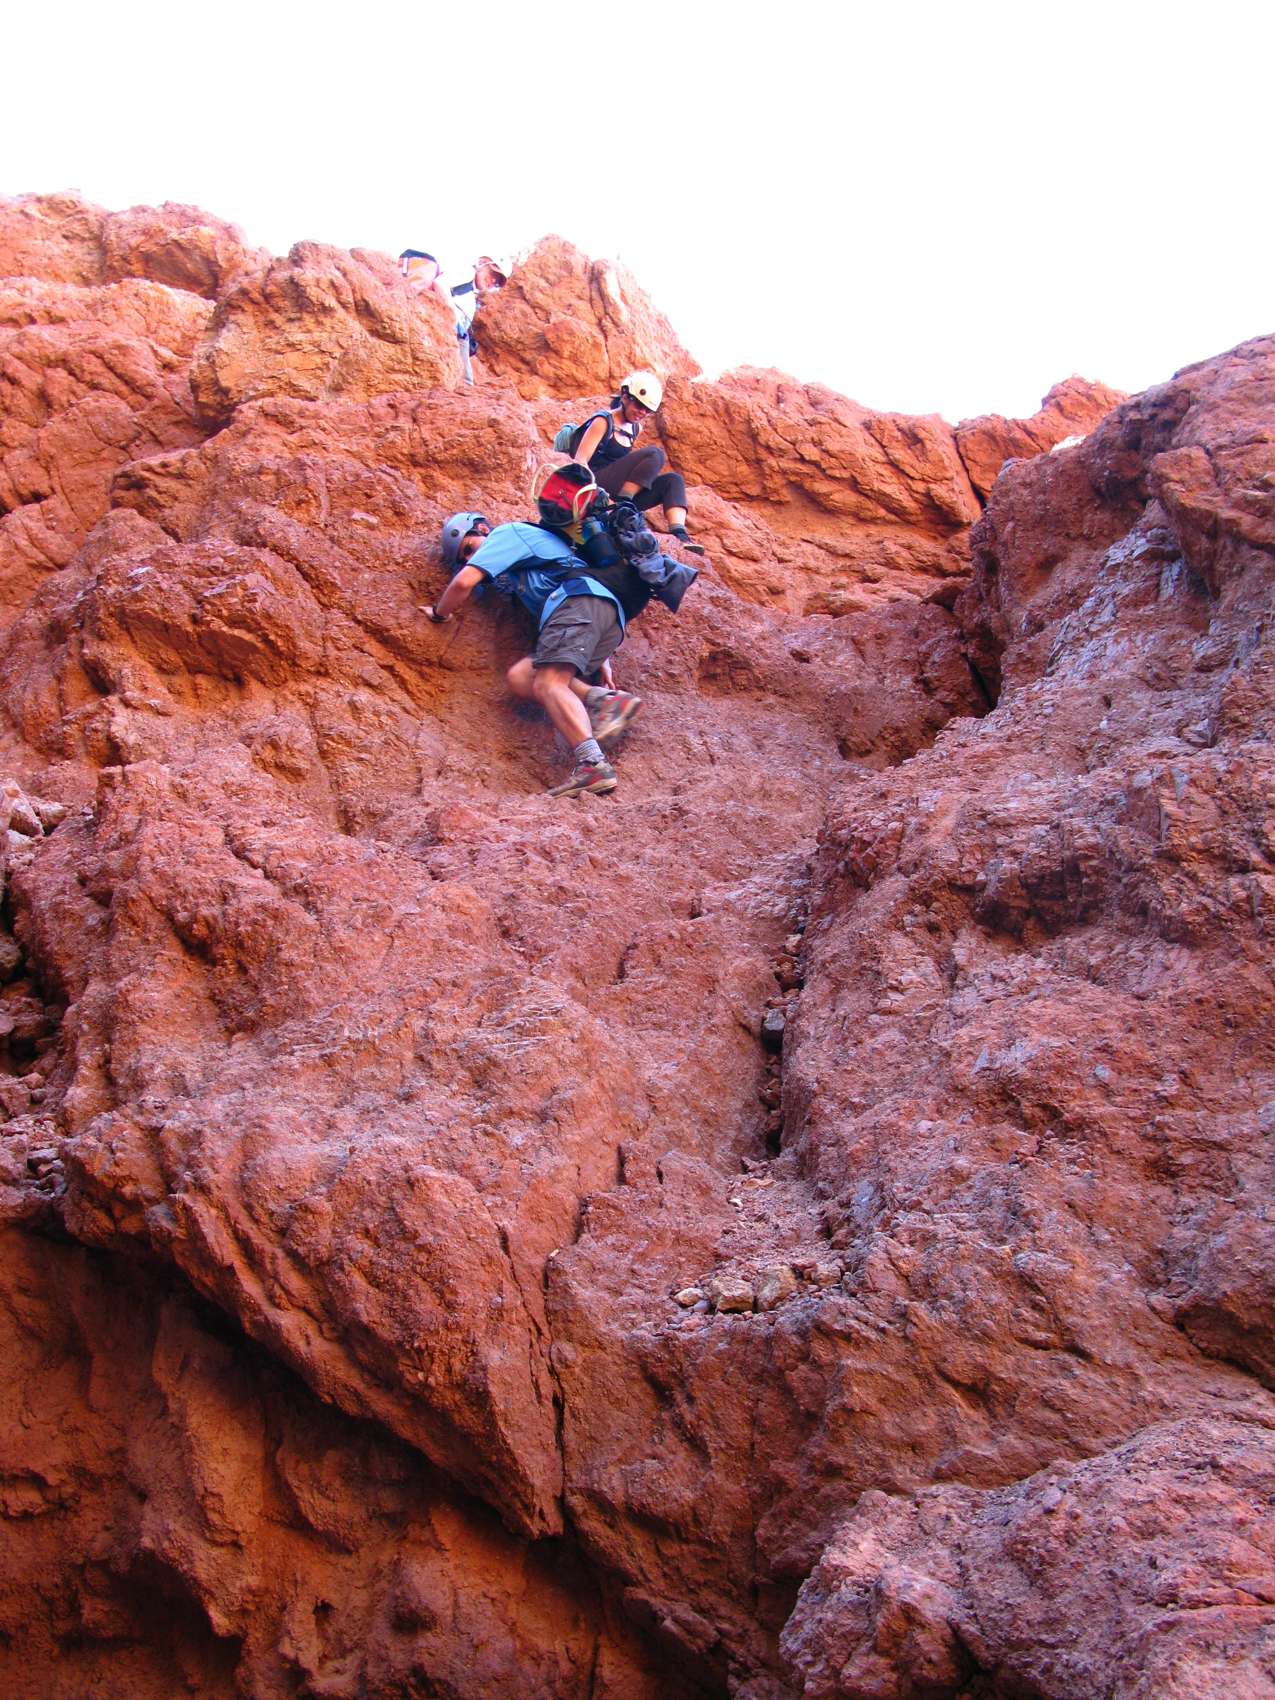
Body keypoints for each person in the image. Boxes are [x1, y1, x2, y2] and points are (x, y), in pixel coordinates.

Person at [423, 465, 696, 798]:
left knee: (549, 682)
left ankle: (592, 765)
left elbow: (464, 582)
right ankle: (605, 701)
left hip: (581, 605)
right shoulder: (525, 566)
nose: (470, 558)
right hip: (602, 617)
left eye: (469, 547)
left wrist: (439, 614)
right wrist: (602, 658)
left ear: (482, 528)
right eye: (464, 556)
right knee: (522, 676)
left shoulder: (507, 534)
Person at [569, 370, 705, 554]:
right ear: (625, 397)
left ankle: (681, 537)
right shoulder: (603, 421)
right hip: (594, 487)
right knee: (655, 454)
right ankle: (621, 508)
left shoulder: (635, 429)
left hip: (614, 493)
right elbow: (580, 462)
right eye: (639, 405)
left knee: (673, 480)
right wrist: (598, 494)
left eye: (647, 410)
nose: (642, 412)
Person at [399, 249, 475, 385]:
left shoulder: (472, 296)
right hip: (438, 320)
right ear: (483, 263)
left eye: (498, 282)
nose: (493, 281)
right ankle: (466, 386)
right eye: (492, 274)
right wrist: (452, 316)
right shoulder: (467, 273)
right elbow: (440, 284)